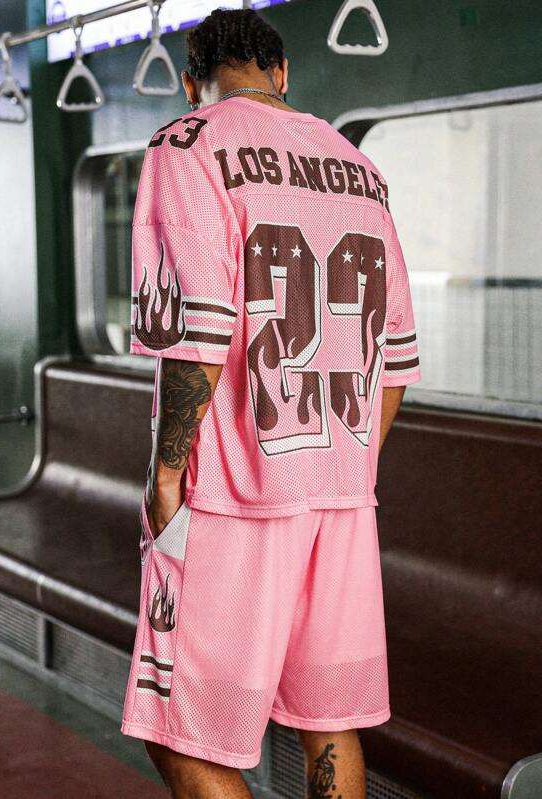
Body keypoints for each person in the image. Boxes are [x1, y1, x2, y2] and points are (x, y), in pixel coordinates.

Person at [121, 7, 421, 798]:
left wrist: (166, 473)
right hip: (341, 497)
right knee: (331, 722)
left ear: (191, 83)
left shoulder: (187, 144)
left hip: (233, 498)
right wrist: (350, 466)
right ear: (283, 74)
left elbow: (197, 328)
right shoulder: (358, 167)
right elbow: (395, 357)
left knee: (180, 735)